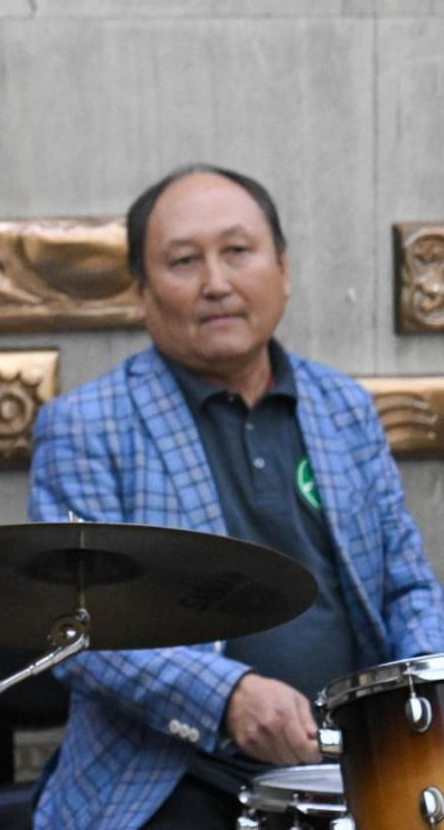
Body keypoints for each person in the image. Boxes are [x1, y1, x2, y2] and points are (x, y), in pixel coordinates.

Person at [27, 165, 444, 830]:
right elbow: (81, 631)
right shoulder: (85, 425)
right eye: (184, 261)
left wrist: (424, 700)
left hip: (359, 762)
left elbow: (406, 587)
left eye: (238, 252)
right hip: (173, 771)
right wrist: (230, 697)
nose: (215, 283)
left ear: (282, 269)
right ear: (140, 292)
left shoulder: (343, 407)